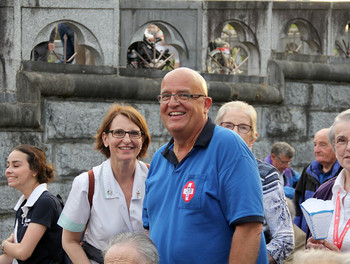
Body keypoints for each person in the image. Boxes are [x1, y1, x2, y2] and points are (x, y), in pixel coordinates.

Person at [142, 67, 268, 263]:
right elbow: (151, 229)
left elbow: (250, 227)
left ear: (206, 104)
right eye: (166, 96)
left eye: (184, 95)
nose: (173, 103)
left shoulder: (229, 147)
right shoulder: (159, 159)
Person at [58, 104, 151, 264]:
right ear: (105, 138)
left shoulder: (155, 178)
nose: (127, 140)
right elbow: (69, 241)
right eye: (119, 133)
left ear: (143, 140)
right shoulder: (87, 183)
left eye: (134, 133)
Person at [215, 100, 294, 264]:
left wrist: (247, 257)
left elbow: (284, 239)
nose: (235, 132)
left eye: (243, 127)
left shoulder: (265, 175)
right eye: (228, 126)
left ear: (253, 137)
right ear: (216, 130)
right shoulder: (201, 169)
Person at [0, 145, 66, 263]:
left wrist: (4, 245)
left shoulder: (45, 202)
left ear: (35, 170)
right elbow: (10, 256)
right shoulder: (24, 205)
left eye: (15, 165)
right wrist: (10, 247)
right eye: (7, 165)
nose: (8, 171)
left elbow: (23, 252)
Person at [306, 109, 350, 252]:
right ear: (334, 146)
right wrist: (312, 250)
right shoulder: (324, 192)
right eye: (341, 140)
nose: (348, 148)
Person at [293, 128, 342, 233]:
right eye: (315, 145)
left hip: (334, 238)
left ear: (335, 146)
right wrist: (297, 233)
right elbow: (298, 204)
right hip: (307, 237)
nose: (317, 150)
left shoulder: (344, 173)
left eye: (322, 145)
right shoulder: (308, 170)